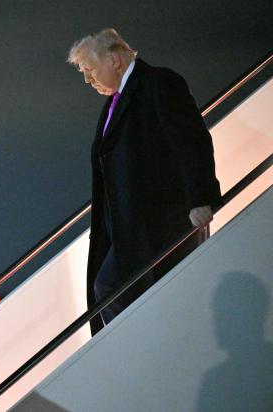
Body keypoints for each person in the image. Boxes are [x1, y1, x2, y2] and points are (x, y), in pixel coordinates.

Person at [67, 28, 222, 333]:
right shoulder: (116, 101)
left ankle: (137, 344)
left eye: (89, 70)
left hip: (157, 220)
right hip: (129, 225)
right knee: (116, 288)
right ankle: (139, 342)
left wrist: (200, 199)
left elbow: (191, 141)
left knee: (111, 286)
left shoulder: (158, 83)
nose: (87, 80)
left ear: (113, 59)